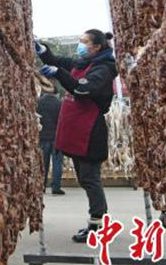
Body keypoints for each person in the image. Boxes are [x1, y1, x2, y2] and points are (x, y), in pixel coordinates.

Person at [35, 30, 117, 243]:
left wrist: (59, 74)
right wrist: (43, 51)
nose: (80, 46)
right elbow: (59, 60)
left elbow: (83, 90)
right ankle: (98, 222)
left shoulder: (104, 69)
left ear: (96, 46)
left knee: (90, 179)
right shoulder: (84, 63)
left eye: (84, 42)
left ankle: (98, 225)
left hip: (90, 132)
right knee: (85, 178)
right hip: (78, 129)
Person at [36, 79, 64, 195]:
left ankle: (42, 186)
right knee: (57, 162)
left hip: (43, 137)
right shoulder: (59, 104)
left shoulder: (38, 103)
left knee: (43, 163)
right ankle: (56, 187)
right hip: (57, 138)